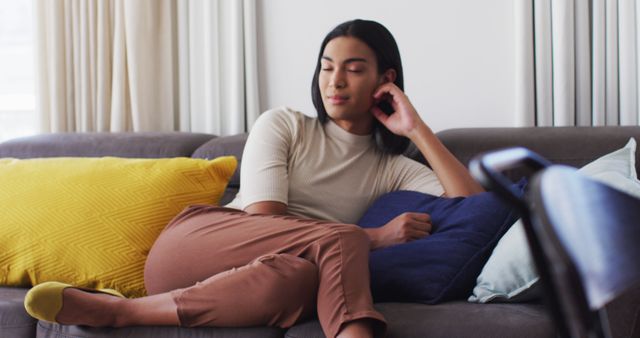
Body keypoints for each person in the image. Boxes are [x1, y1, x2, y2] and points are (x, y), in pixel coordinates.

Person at [23, 19, 484, 338]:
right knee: (342, 242)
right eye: (327, 66)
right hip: (198, 244)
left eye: (353, 68)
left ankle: (121, 313)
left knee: (300, 279)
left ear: (386, 80)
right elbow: (265, 218)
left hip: (269, 278)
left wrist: (416, 129)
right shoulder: (284, 124)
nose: (334, 81)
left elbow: (474, 205)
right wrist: (372, 239)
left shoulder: (391, 167)